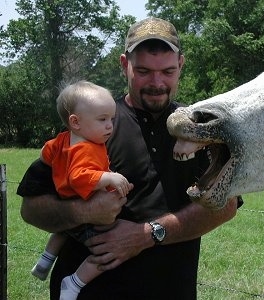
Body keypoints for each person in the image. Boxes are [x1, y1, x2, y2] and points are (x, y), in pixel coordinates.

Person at [18, 17, 241, 299]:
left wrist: (147, 234)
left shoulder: (202, 128)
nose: (157, 82)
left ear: (181, 65)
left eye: (168, 71)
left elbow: (227, 204)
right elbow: (31, 207)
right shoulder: (92, 123)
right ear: (124, 64)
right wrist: (85, 211)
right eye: (144, 71)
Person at [30, 80, 133, 300]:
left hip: (66, 200)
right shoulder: (87, 148)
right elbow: (78, 177)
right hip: (87, 210)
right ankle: (74, 283)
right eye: (102, 119)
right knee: (105, 251)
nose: (109, 126)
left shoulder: (64, 139)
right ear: (75, 122)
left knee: (64, 230)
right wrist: (108, 176)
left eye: (111, 119)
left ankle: (45, 261)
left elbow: (45, 152)